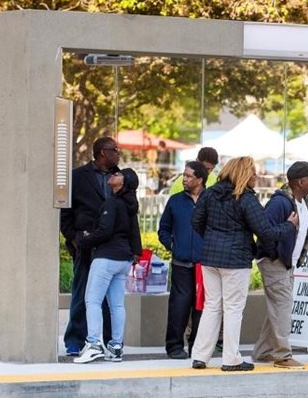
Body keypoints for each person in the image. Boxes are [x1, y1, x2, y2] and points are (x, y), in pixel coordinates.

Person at [191, 156, 297, 372]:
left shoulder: (210, 193)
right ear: (243, 174)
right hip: (236, 260)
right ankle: (231, 359)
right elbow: (265, 231)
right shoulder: (246, 198)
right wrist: (289, 225)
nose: (256, 176)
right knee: (233, 309)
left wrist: (212, 239)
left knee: (212, 305)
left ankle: (200, 356)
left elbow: (196, 221)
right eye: (253, 172)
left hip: (210, 259)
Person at [252, 161, 308, 369]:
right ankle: (283, 355)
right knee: (283, 307)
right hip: (276, 262)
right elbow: (264, 232)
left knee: (278, 307)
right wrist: (276, 256)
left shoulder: (304, 202)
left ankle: (263, 351)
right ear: (301, 182)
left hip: (288, 264)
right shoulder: (279, 203)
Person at [60, 137, 121, 356]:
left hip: (112, 245)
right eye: (115, 150)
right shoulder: (77, 176)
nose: (118, 153)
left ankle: (106, 340)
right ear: (102, 153)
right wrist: (73, 238)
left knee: (109, 298)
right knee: (82, 293)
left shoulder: (121, 178)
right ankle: (75, 341)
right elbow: (65, 211)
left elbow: (130, 211)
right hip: (86, 244)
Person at [74, 168, 142, 363]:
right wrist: (135, 252)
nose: (114, 174)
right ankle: (116, 347)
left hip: (106, 258)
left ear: (123, 183)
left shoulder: (111, 203)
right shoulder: (130, 206)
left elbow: (104, 231)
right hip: (124, 259)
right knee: (117, 304)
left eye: (119, 174)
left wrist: (85, 239)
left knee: (92, 301)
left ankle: (94, 344)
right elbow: (134, 232)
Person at [158, 161, 209, 359]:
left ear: (200, 179)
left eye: (188, 176)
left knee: (201, 308)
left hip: (205, 266)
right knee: (178, 307)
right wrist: (172, 245)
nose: (184, 179)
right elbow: (164, 229)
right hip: (181, 264)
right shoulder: (175, 200)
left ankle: (197, 347)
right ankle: (174, 347)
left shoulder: (211, 199)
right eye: (184, 175)